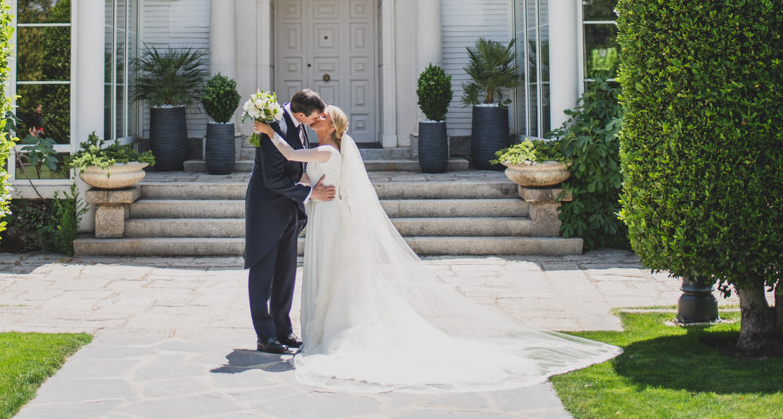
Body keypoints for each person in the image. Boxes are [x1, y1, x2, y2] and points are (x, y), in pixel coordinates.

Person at [254, 104, 621, 393]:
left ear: (331, 126)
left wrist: (268, 131)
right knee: (331, 272)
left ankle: (332, 331)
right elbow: (303, 171)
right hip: (325, 213)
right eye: (315, 116)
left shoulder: (327, 150)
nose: (316, 119)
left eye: (322, 117)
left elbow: (288, 155)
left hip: (330, 217)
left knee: (331, 271)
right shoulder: (327, 148)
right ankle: (322, 328)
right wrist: (305, 186)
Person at [244, 88, 336, 354]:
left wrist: (307, 183)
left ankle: (283, 331)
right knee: (263, 274)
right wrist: (309, 193)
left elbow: (297, 162)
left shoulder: (298, 122)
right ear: (299, 114)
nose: (317, 121)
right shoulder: (271, 126)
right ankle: (265, 335)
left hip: (290, 209)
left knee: (286, 273)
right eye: (314, 117)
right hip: (267, 210)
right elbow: (272, 179)